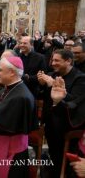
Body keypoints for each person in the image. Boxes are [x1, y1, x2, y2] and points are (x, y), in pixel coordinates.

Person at [38, 49, 85, 177]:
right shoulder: (53, 74)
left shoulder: (80, 78)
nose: (53, 63)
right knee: (53, 157)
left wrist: (54, 85)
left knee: (64, 163)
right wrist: (43, 84)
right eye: (52, 60)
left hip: (67, 127)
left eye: (57, 60)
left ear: (68, 61)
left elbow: (75, 102)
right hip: (51, 124)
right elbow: (44, 97)